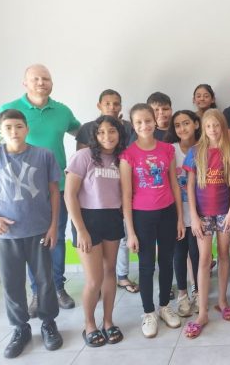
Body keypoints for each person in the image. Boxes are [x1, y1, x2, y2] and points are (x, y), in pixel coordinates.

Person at [0, 64, 80, 315]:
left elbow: (83, 133)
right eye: (35, 79)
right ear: (25, 83)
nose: (41, 82)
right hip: (21, 194)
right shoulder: (10, 110)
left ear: (52, 82)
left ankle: (58, 288)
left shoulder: (62, 111)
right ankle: (38, 293)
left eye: (46, 78)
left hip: (56, 187)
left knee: (56, 239)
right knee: (30, 244)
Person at [0, 109, 64, 358]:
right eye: (8, 128)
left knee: (45, 280)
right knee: (12, 283)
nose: (14, 132)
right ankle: (20, 328)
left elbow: (54, 191)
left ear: (27, 129)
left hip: (39, 230)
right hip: (6, 234)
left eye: (18, 126)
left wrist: (53, 226)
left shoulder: (44, 155)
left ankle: (48, 323)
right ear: (0, 132)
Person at [119, 104, 185, 338]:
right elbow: (126, 195)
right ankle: (149, 312)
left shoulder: (167, 149)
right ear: (133, 125)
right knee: (146, 266)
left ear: (155, 121)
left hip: (167, 213)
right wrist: (131, 232)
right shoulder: (128, 155)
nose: (144, 125)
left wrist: (180, 218)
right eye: (138, 122)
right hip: (142, 216)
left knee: (166, 262)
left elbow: (175, 185)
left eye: (148, 120)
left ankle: (164, 306)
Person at [64, 115, 127, 347]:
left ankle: (108, 321)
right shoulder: (84, 156)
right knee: (94, 279)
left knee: (110, 272)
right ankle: (89, 324)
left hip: (112, 217)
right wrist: (81, 230)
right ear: (95, 135)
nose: (107, 136)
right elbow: (69, 195)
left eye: (112, 131)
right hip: (87, 219)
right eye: (101, 132)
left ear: (119, 134)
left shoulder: (122, 158)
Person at [75, 89, 139, 294]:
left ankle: (121, 276)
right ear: (99, 105)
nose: (112, 107)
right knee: (95, 274)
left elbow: (130, 157)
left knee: (121, 241)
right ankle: (98, 288)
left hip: (118, 197)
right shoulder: (87, 130)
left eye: (116, 103)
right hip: (92, 204)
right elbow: (82, 167)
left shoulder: (128, 128)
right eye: (107, 103)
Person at [183, 109, 230, 338]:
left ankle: (222, 301)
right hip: (203, 214)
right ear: (203, 129)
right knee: (204, 259)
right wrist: (193, 216)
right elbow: (190, 186)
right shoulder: (195, 152)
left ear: (222, 126)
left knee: (224, 255)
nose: (213, 130)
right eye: (208, 126)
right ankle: (203, 311)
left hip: (224, 212)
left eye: (216, 125)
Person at [164, 110, 202, 317]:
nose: (182, 128)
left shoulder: (204, 147)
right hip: (176, 212)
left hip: (199, 211)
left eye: (186, 123)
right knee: (179, 253)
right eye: (177, 125)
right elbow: (170, 182)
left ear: (196, 124)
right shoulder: (170, 150)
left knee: (196, 253)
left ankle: (198, 292)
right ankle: (182, 294)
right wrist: (178, 217)